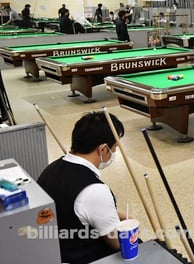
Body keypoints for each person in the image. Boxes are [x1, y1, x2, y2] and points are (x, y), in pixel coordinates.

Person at [37, 112, 127, 264]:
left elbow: (83, 210)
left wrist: (122, 216)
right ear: (103, 149)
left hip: (55, 250)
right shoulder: (95, 190)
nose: (115, 152)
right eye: (115, 147)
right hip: (81, 257)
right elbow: (117, 242)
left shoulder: (51, 169)